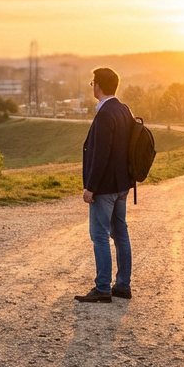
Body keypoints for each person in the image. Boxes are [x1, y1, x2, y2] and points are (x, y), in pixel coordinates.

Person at [75, 67, 136, 303]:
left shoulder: (104, 115)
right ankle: (122, 286)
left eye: (93, 83)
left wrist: (90, 187)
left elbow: (100, 155)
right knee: (120, 233)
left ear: (98, 85)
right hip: (122, 185)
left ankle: (102, 287)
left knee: (99, 235)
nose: (92, 87)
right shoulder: (124, 110)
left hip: (106, 188)